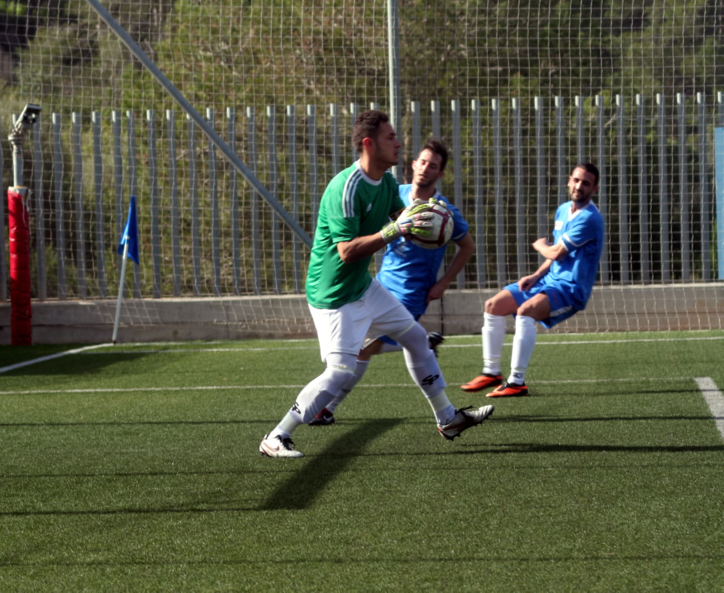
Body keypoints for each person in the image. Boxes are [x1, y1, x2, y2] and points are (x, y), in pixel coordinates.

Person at [259, 111, 493, 458]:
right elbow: (347, 252)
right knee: (340, 372)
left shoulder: (386, 183)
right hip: (333, 295)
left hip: (363, 286)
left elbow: (402, 220)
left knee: (416, 339)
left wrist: (428, 222)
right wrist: (396, 230)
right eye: (390, 137)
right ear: (369, 144)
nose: (398, 143)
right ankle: (277, 436)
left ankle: (448, 418)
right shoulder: (346, 187)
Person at [309, 139, 476, 426]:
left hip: (413, 290)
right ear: (413, 164)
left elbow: (468, 246)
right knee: (370, 346)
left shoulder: (444, 212)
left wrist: (444, 282)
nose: (425, 169)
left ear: (440, 174)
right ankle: (443, 410)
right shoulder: (394, 192)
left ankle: (325, 409)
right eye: (423, 162)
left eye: (433, 166)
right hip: (380, 283)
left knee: (367, 347)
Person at [462, 163, 604, 397]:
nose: (579, 186)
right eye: (577, 180)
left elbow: (555, 252)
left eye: (586, 183)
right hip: (548, 281)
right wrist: (536, 275)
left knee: (525, 312)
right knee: (493, 305)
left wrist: (540, 245)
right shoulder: (563, 210)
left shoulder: (590, 218)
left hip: (570, 289)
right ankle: (491, 372)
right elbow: (558, 254)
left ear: (594, 189)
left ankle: (516, 382)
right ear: (569, 181)